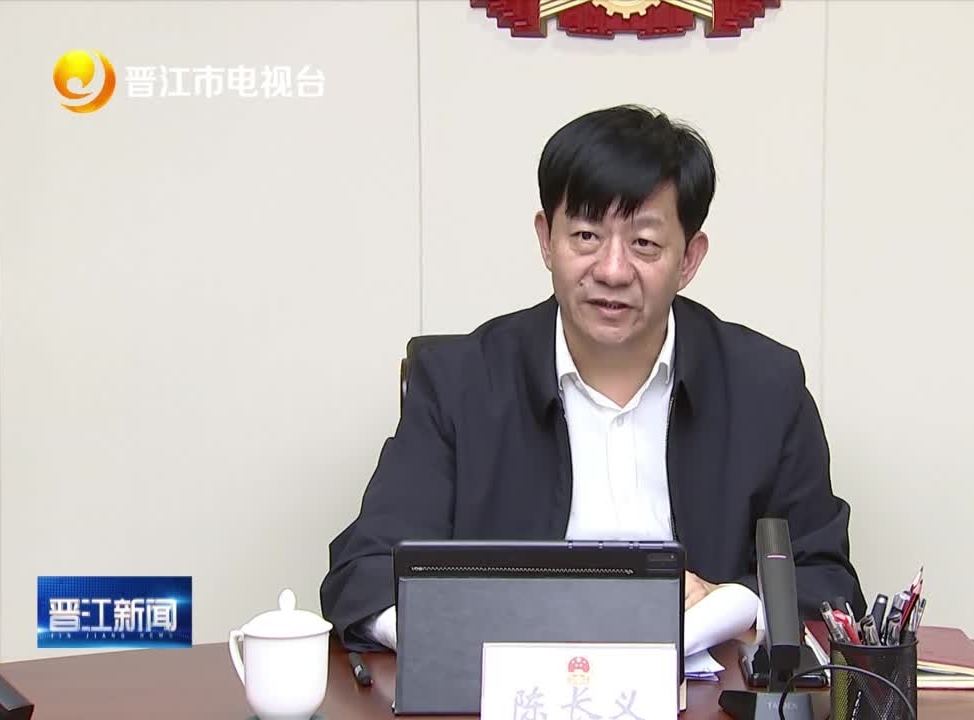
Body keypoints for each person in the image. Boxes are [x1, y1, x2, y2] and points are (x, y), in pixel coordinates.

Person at [320, 104, 865, 653]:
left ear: (689, 258)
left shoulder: (765, 387)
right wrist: (454, 638)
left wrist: (730, 605)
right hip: (508, 684)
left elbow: (825, 580)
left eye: (644, 243)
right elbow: (365, 572)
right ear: (545, 239)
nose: (612, 270)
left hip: (700, 687)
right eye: (585, 235)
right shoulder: (459, 383)